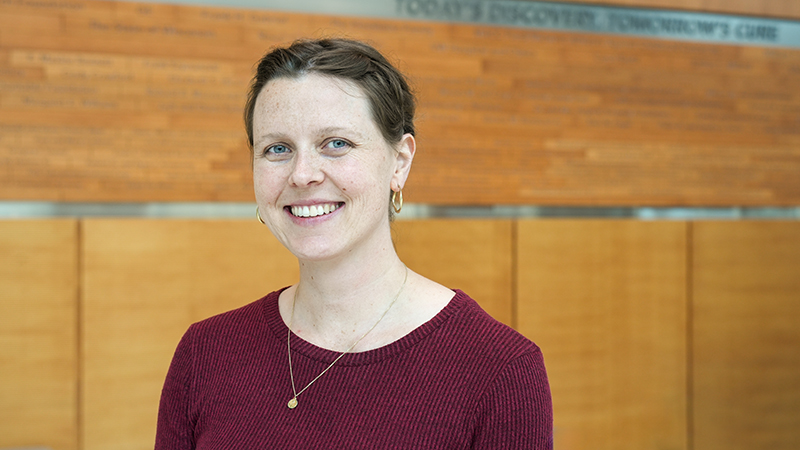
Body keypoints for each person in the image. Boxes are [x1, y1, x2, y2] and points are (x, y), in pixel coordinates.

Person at [155, 38, 552, 449]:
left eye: (336, 144)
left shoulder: (500, 370)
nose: (302, 175)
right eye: (277, 149)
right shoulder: (205, 354)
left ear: (399, 162)